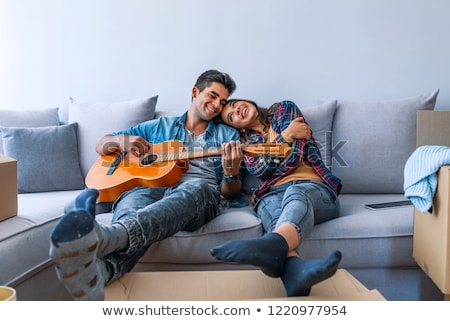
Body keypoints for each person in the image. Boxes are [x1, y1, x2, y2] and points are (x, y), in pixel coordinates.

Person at [49, 70, 245, 300]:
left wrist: (231, 174)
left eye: (222, 102)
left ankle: (109, 237)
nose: (216, 105)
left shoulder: (228, 135)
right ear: (195, 92)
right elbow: (102, 144)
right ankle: (103, 273)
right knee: (134, 202)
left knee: (198, 188)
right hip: (149, 189)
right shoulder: (158, 127)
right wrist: (125, 141)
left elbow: (230, 193)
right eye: (212, 96)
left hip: (198, 195)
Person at [210, 99, 343, 297]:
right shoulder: (245, 145)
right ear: (236, 126)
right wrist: (287, 136)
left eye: (236, 104)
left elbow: (294, 157)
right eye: (231, 116)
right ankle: (296, 273)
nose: (237, 110)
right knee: (270, 208)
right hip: (271, 195)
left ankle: (271, 244)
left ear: (247, 101)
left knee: (295, 192)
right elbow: (260, 170)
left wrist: (269, 172)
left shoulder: (283, 109)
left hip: (315, 188)